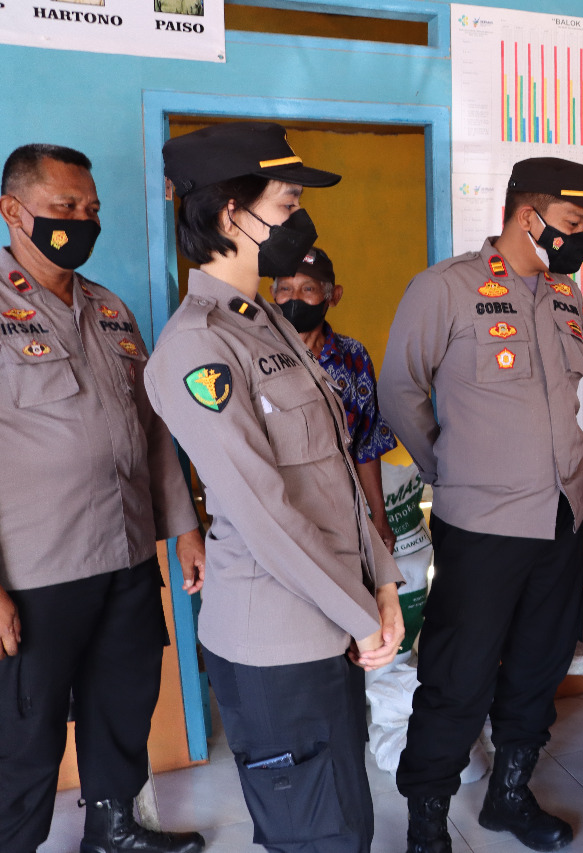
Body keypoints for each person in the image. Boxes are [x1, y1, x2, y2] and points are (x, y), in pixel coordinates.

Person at [145, 121, 404, 853]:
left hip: (327, 618)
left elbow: (334, 468)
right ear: (233, 213)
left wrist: (381, 582)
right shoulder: (199, 346)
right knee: (318, 834)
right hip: (275, 641)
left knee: (342, 819)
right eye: (286, 204)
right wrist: (360, 613)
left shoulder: (267, 323)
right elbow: (265, 513)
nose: (298, 222)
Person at [380, 156, 583, 853]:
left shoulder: (564, 294)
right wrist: (448, 467)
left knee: (540, 664)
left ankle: (509, 794)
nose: (578, 238)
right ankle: (427, 817)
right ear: (526, 216)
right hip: (481, 524)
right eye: (571, 223)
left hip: (561, 514)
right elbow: (399, 392)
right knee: (458, 673)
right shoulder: (445, 289)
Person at [0, 143, 206, 853]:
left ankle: (114, 828)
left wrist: (184, 528)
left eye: (89, 209)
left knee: (122, 702)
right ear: (12, 211)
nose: (81, 221)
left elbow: (153, 435)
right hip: (35, 570)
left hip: (123, 553)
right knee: (23, 732)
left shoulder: (111, 311)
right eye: (64, 208)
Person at [272, 246, 398, 551]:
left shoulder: (353, 356)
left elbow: (366, 444)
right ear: (272, 294)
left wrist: (379, 516)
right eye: (285, 288)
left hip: (342, 515)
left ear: (333, 295)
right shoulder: (258, 355)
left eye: (308, 289)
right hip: (279, 518)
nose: (294, 298)